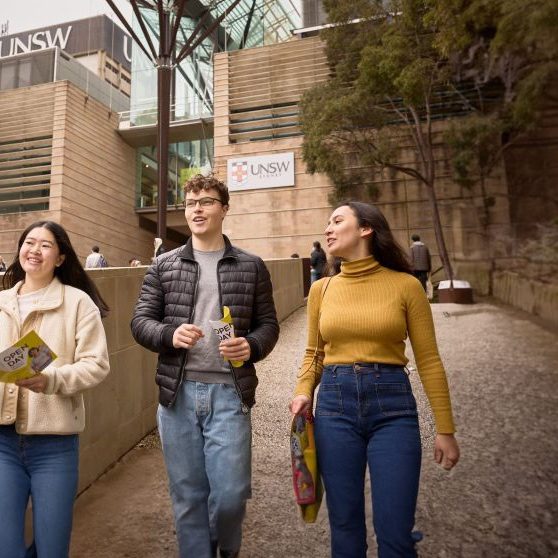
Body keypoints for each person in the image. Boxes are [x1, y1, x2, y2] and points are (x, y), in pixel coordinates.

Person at [290, 201, 459, 558]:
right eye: (327, 223)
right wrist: (303, 392)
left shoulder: (406, 286)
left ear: (366, 228)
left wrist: (445, 429)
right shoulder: (322, 290)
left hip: (394, 409)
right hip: (335, 408)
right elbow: (314, 355)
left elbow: (428, 359)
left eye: (337, 221)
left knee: (395, 533)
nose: (328, 229)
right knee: (346, 527)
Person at [131, 174, 279, 558]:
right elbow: (141, 321)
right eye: (191, 203)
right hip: (177, 395)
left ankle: (225, 549)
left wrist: (251, 346)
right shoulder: (164, 266)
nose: (197, 209)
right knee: (188, 495)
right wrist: (169, 335)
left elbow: (269, 326)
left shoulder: (251, 266)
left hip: (230, 393)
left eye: (207, 201)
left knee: (230, 494)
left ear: (224, 209)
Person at [0, 220, 110, 558]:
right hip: (2, 443)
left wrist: (52, 380)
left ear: (60, 258)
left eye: (45, 245)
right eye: (29, 242)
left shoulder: (77, 303)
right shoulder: (1, 301)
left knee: (51, 549)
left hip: (55, 446)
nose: (35, 250)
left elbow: (97, 365)